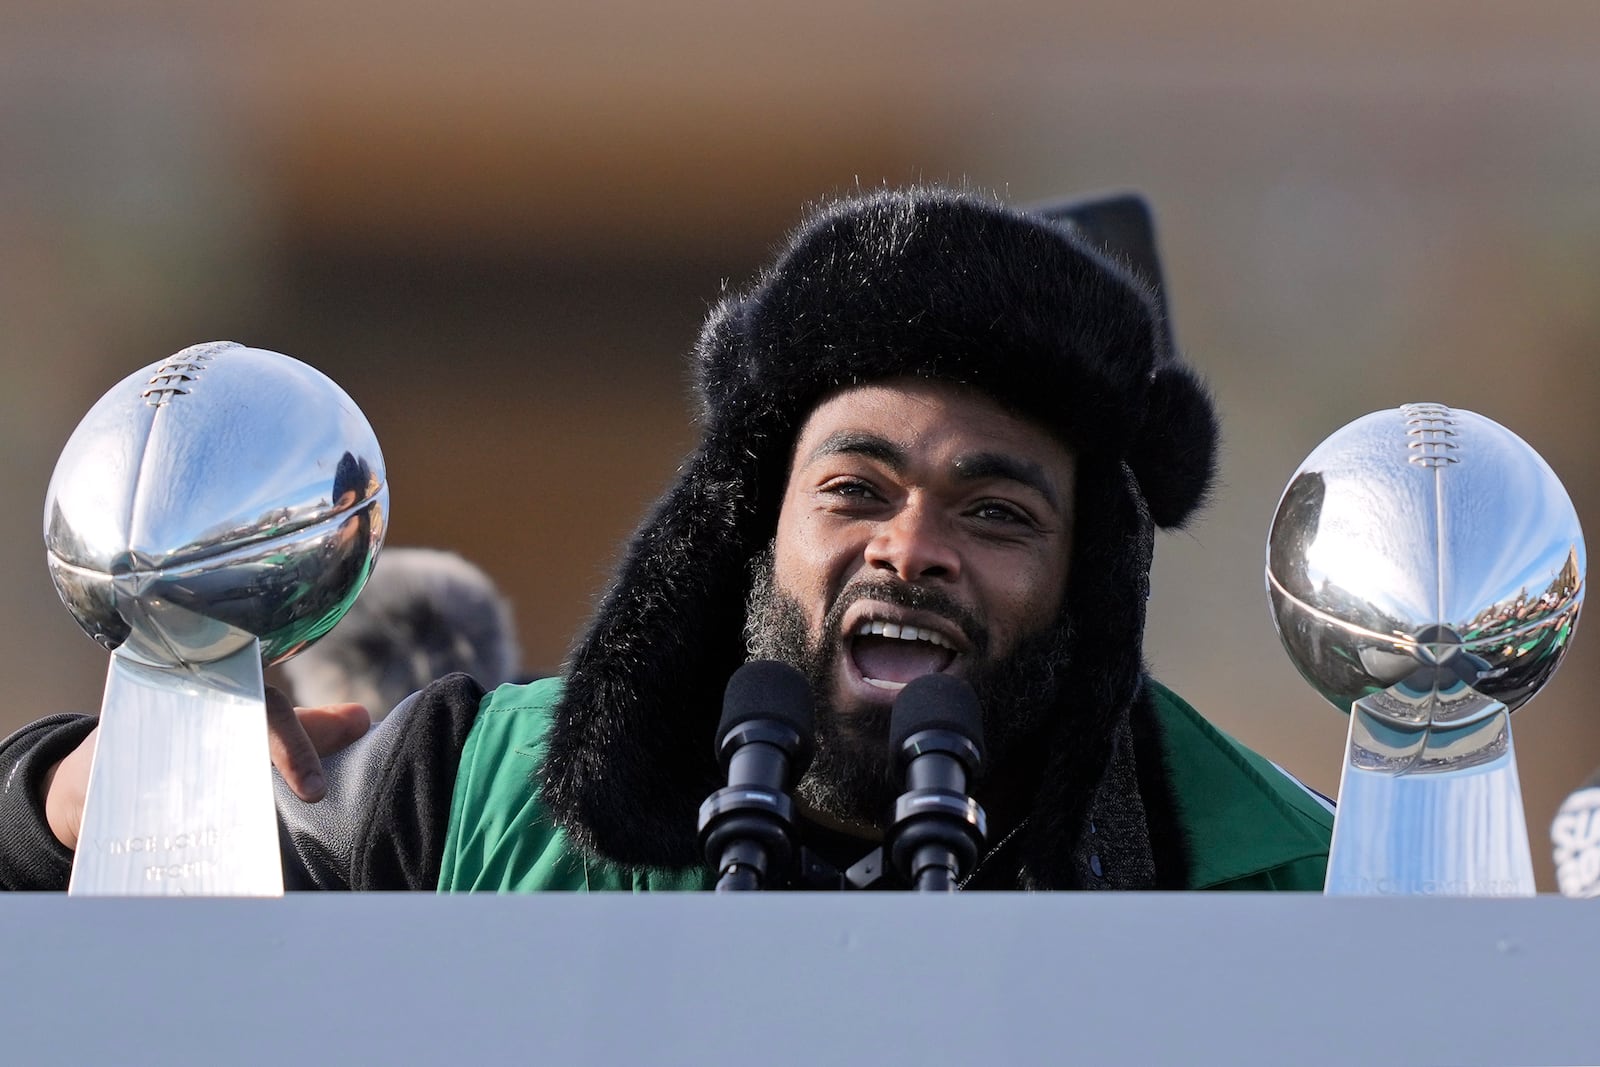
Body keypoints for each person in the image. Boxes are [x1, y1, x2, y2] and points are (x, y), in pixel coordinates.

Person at [0, 186, 1332, 892]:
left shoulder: (1271, 873)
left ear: (1082, 586)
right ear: (758, 530)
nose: (911, 548)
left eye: (994, 513)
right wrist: (77, 800)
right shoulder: (471, 794)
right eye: (855, 490)